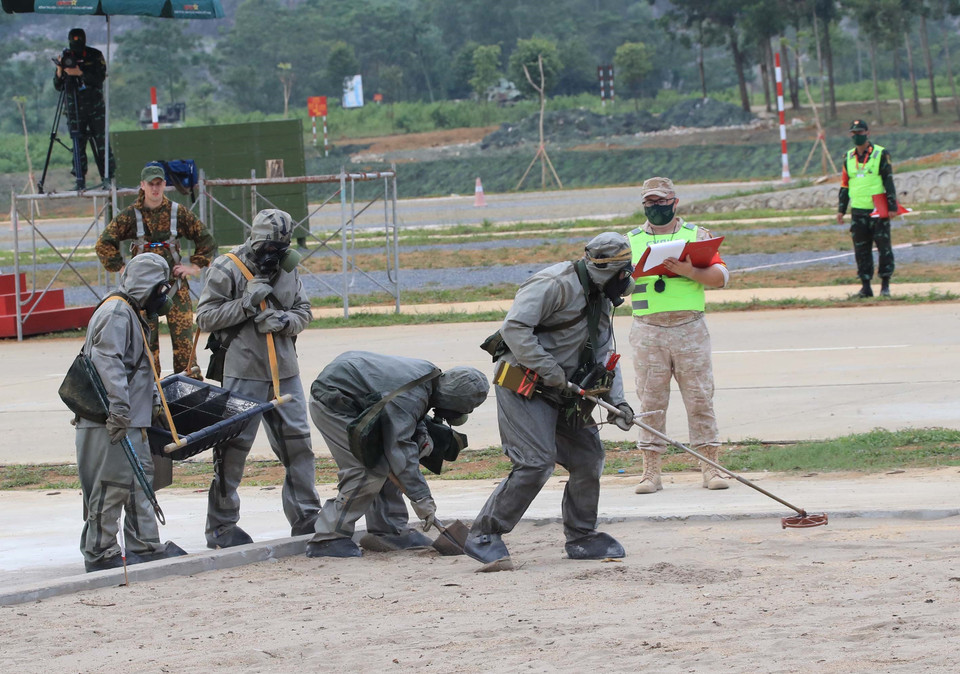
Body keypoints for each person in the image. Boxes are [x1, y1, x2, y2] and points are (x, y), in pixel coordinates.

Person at [464, 232, 637, 569]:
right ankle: (484, 534)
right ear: (605, 270)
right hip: (521, 382)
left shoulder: (601, 296)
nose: (626, 280)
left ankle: (582, 535)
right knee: (536, 462)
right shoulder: (553, 284)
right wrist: (552, 371)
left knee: (589, 457)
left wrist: (618, 403)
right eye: (622, 273)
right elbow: (514, 329)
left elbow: (605, 351)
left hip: (566, 390)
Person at [195, 208, 321, 548]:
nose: (273, 254)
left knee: (299, 446)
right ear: (254, 238)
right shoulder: (227, 268)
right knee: (233, 449)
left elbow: (304, 311)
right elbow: (204, 318)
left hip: (285, 372)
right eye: (268, 246)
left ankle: (307, 516)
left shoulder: (288, 269)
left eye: (280, 248)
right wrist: (246, 305)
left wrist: (284, 322)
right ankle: (221, 526)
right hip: (243, 372)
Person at [306, 352, 489, 558]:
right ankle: (328, 539)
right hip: (335, 403)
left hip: (363, 400)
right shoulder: (412, 395)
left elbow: (406, 410)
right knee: (367, 470)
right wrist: (422, 498)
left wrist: (421, 433)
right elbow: (399, 446)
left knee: (391, 461)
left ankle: (389, 531)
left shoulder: (431, 378)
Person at [75, 253, 187, 572]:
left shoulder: (131, 313)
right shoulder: (116, 313)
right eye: (160, 290)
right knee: (112, 485)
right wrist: (120, 411)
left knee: (140, 484)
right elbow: (107, 363)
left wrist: (150, 404)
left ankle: (145, 545)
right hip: (111, 420)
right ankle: (100, 552)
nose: (162, 299)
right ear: (148, 286)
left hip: (131, 419)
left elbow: (139, 368)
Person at [627, 176, 729, 495]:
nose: (656, 206)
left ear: (675, 201)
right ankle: (651, 473)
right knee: (650, 400)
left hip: (689, 327)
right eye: (650, 202)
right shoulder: (628, 240)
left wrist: (688, 271)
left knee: (699, 397)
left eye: (661, 200)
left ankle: (709, 466)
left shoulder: (696, 236)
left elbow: (721, 277)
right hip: (648, 328)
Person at [97, 163, 217, 378]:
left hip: (175, 287)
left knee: (184, 344)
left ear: (164, 185)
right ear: (142, 185)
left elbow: (206, 239)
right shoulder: (130, 216)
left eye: (159, 184)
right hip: (142, 294)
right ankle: (151, 393)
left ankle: (188, 390)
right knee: (145, 344)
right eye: (150, 184)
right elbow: (104, 243)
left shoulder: (177, 213)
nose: (155, 189)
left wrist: (194, 267)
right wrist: (122, 268)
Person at [837, 119, 898, 298]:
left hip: (878, 209)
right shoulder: (847, 157)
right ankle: (866, 287)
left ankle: (885, 286)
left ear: (867, 133)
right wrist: (841, 209)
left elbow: (888, 180)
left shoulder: (880, 153)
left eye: (860, 132)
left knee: (884, 247)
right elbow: (845, 185)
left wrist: (892, 206)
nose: (857, 136)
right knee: (861, 250)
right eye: (854, 133)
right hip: (858, 210)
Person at [53, 28, 115, 189]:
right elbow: (58, 86)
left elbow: (99, 78)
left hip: (95, 107)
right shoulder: (66, 57)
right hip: (75, 109)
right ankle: (79, 180)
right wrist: (60, 70)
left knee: (101, 142)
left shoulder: (95, 55)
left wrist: (80, 72)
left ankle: (107, 178)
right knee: (77, 143)